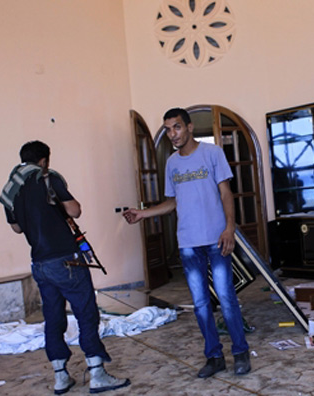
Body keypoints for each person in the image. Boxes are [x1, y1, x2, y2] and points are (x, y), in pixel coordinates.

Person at [123, 108, 251, 378]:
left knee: (226, 299)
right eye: (168, 129)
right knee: (201, 304)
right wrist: (142, 213)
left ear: (189, 127)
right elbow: (172, 203)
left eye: (177, 127)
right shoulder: (171, 163)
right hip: (188, 243)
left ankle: (240, 352)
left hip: (217, 240)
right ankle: (214, 356)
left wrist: (230, 228)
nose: (173, 134)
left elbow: (226, 193)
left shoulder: (212, 153)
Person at [0, 141, 130, 395]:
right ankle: (97, 374)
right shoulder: (47, 177)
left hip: (40, 263)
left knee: (53, 318)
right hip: (66, 259)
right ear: (44, 160)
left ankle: (60, 376)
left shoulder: (10, 187)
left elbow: (16, 228)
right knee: (86, 313)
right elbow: (75, 210)